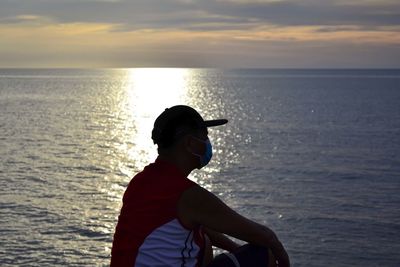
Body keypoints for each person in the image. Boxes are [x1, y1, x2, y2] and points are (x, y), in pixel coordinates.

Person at [110, 105, 290, 267]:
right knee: (263, 254)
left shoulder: (141, 182)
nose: (208, 143)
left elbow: (202, 227)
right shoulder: (186, 195)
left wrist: (234, 248)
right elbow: (265, 236)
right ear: (189, 143)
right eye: (205, 136)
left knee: (201, 240)